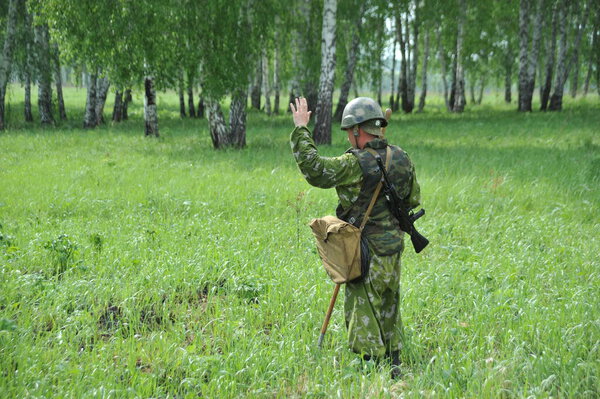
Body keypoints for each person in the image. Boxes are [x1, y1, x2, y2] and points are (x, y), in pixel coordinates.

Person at [289, 96, 421, 379]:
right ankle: (394, 365)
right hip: (394, 249)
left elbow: (315, 169)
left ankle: (369, 373)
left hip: (365, 252)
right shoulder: (401, 157)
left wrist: (301, 129)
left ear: (359, 131)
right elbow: (412, 198)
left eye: (349, 133)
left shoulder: (355, 163)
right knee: (389, 306)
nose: (349, 139)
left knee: (363, 309)